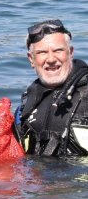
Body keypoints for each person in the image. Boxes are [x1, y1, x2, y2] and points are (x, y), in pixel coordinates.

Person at [14, 19, 88, 156]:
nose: (51, 59)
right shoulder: (24, 108)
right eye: (42, 52)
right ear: (31, 59)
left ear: (70, 53)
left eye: (58, 50)